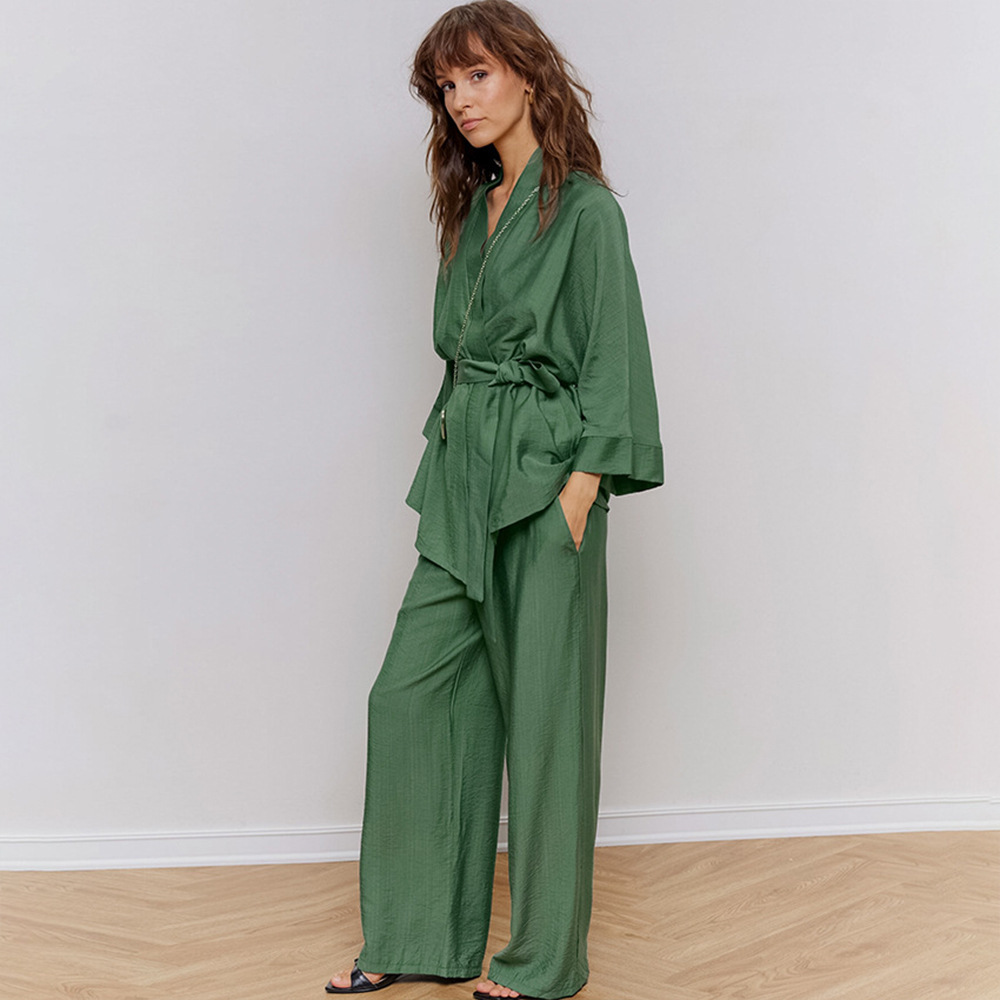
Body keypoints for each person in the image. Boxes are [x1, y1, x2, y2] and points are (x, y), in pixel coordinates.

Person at [325, 2, 662, 998]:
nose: (460, 99)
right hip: (460, 479)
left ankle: (543, 963)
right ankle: (416, 933)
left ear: (527, 74)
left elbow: (613, 354)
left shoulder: (585, 211)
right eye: (446, 85)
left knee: (548, 730)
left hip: (546, 483)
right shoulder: (473, 206)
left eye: (476, 75)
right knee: (411, 695)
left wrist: (581, 491)